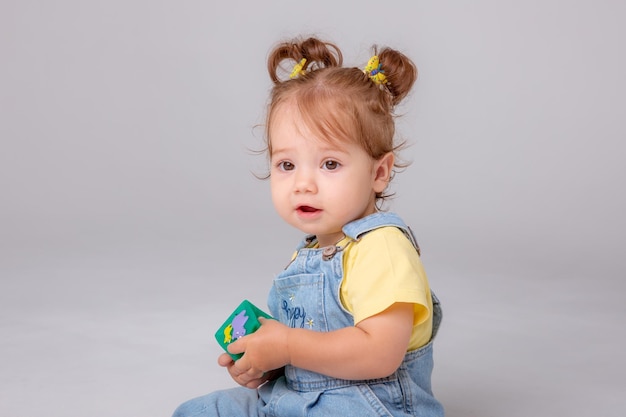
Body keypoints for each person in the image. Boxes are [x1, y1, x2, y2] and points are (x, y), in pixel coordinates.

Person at [172, 36, 444, 417]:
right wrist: (267, 360)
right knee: (199, 411)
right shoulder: (312, 253)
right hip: (299, 398)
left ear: (379, 173)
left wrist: (288, 346)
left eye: (329, 164)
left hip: (368, 407)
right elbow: (310, 348)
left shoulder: (382, 247)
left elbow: (381, 353)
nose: (303, 183)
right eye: (287, 165)